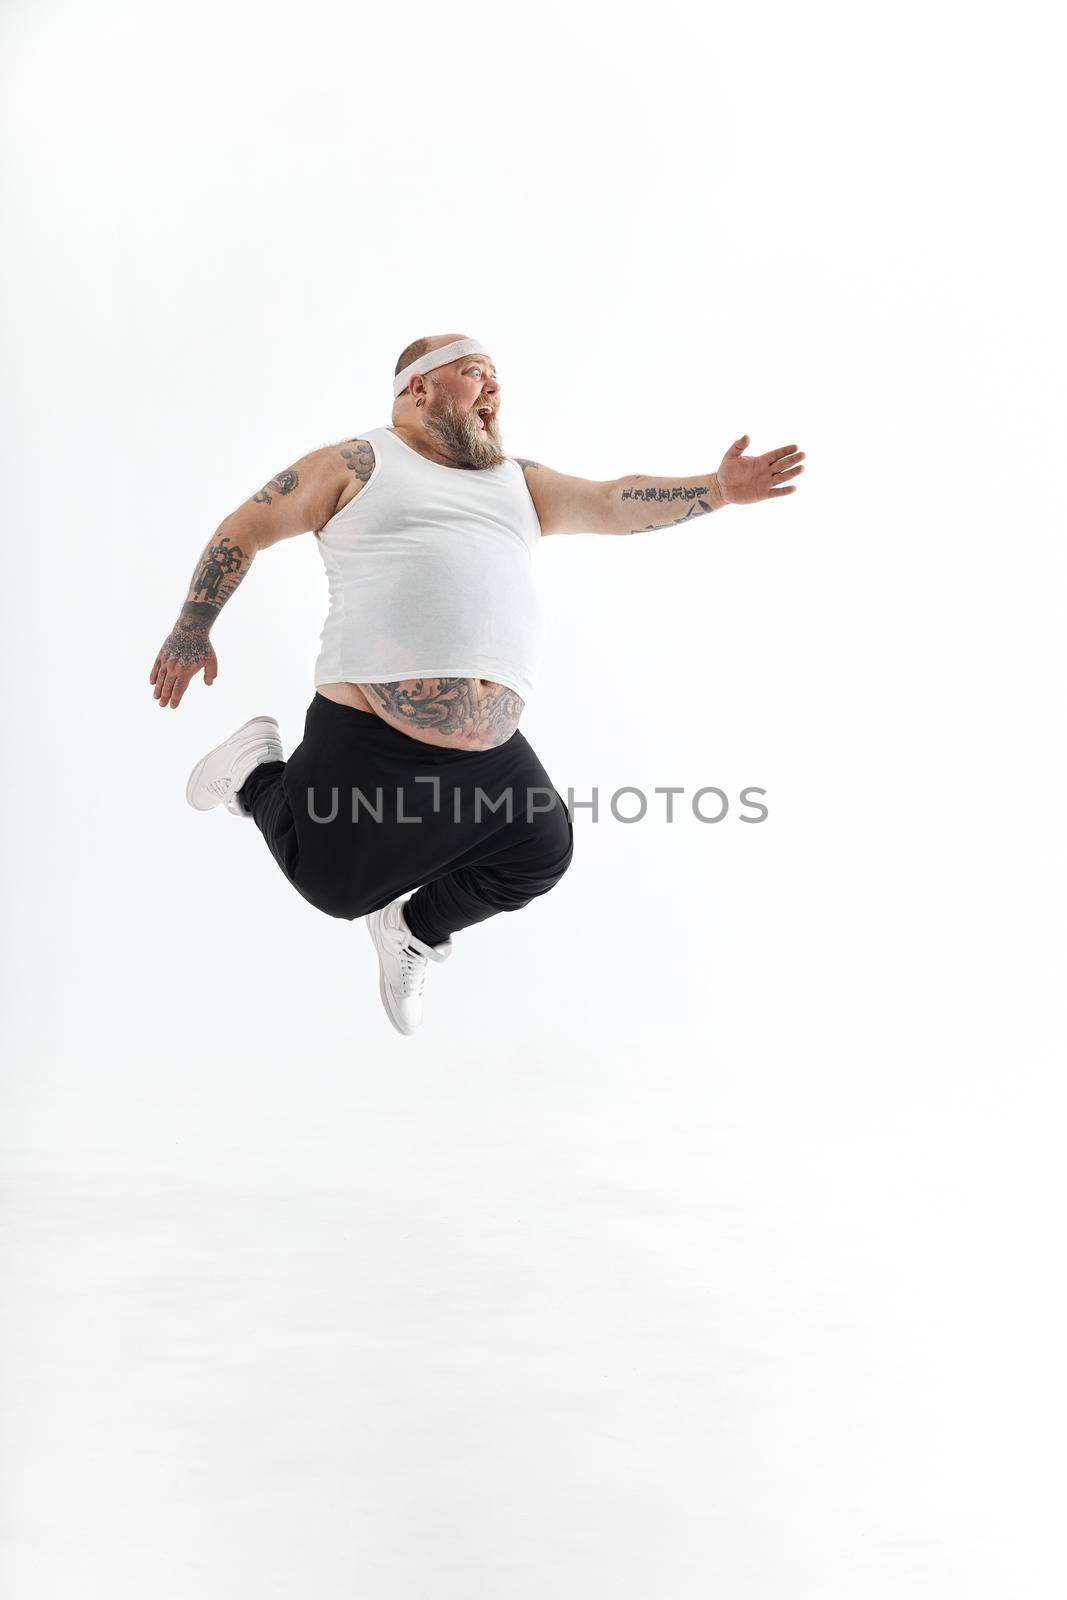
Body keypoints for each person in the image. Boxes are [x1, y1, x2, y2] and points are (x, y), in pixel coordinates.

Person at [150, 333, 805, 1033]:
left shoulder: (517, 481)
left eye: (496, 378)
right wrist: (193, 627)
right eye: (473, 373)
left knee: (538, 847)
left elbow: (614, 502)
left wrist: (716, 489)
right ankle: (255, 771)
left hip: (487, 747)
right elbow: (244, 528)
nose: (492, 388)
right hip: (371, 732)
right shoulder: (358, 462)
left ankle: (411, 929)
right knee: (331, 887)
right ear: (417, 388)